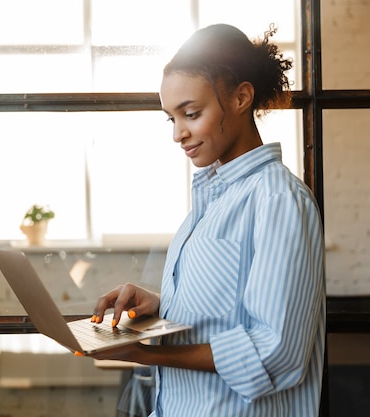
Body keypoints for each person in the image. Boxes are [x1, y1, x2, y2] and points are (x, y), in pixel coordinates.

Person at [88, 24, 325, 416]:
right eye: (171, 118)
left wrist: (147, 355)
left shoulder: (278, 200)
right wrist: (162, 307)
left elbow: (276, 352)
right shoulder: (212, 200)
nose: (179, 133)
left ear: (241, 98)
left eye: (192, 114)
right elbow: (229, 312)